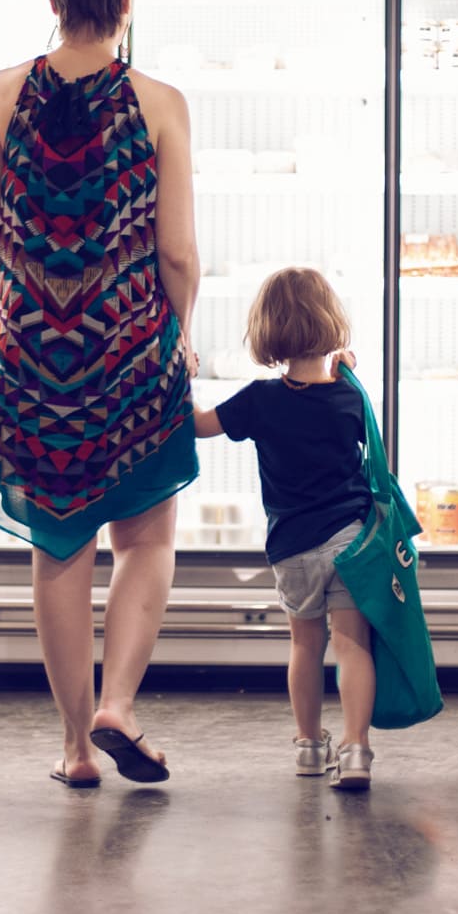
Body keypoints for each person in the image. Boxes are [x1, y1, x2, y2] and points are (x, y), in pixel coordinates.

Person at [0, 0, 199, 789]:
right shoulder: (161, 102)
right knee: (147, 533)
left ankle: (71, 748)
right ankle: (117, 705)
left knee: (58, 545)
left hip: (28, 348)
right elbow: (176, 253)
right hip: (130, 345)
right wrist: (183, 329)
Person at [193, 267, 378, 790]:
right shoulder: (350, 397)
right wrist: (349, 368)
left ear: (267, 330)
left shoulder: (260, 400)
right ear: (331, 321)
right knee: (352, 646)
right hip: (351, 538)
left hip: (292, 546)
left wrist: (179, 380)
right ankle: (357, 748)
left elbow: (198, 426)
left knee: (304, 646)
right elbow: (348, 406)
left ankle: (308, 747)